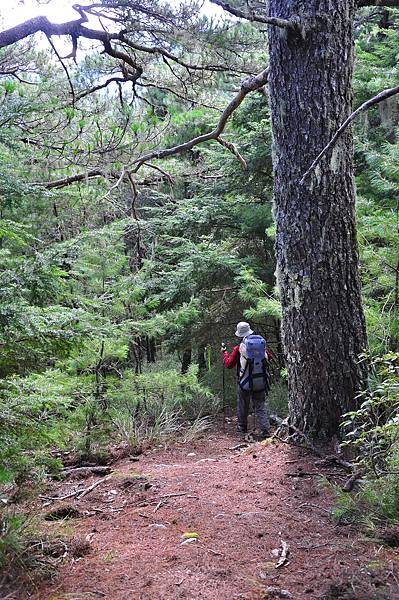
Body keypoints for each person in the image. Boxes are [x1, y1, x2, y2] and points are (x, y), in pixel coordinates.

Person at [222, 321, 271, 438]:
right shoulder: (261, 345)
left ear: (239, 334)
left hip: (244, 382)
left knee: (243, 404)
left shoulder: (239, 348)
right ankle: (265, 430)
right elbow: (269, 357)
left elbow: (228, 364)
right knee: (260, 405)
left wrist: (224, 353)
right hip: (260, 381)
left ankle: (241, 427)